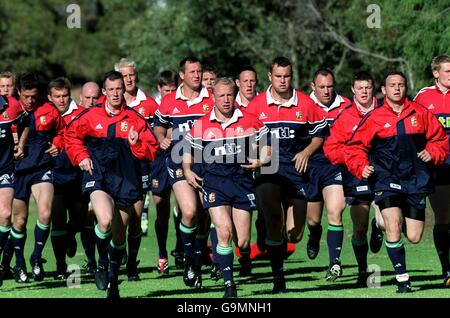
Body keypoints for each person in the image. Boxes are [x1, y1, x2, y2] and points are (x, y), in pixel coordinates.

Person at [345, 71, 449, 293]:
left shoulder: (420, 113)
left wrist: (432, 152)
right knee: (393, 224)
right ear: (384, 90)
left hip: (415, 180)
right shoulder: (374, 118)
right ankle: (403, 280)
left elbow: (439, 139)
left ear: (405, 88)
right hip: (386, 179)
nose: (397, 88)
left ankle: (379, 224)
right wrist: (361, 166)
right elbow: (354, 147)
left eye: (401, 84)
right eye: (392, 85)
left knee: (414, 236)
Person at [65, 70, 159, 298]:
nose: (116, 93)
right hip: (99, 177)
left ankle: (113, 281)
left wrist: (136, 145)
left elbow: (152, 150)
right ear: (104, 92)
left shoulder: (135, 119)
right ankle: (101, 265)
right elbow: (71, 136)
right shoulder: (90, 115)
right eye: (111, 90)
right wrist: (81, 156)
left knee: (119, 238)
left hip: (126, 180)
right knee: (105, 221)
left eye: (119, 89)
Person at [246, 56, 328, 293]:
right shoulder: (256, 106)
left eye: (287, 76)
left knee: (294, 235)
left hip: (296, 172)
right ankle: (278, 278)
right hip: (268, 170)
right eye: (278, 76)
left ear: (292, 77)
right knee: (274, 219)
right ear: (270, 77)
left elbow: (319, 134)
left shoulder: (305, 103)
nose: (283, 81)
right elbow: (245, 136)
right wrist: (256, 156)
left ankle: (269, 228)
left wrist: (307, 151)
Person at [184, 77, 271, 297]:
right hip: (214, 183)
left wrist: (260, 161)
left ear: (235, 95)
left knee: (242, 242)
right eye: (221, 95)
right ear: (213, 96)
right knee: (224, 233)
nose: (225, 99)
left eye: (229, 95)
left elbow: (269, 147)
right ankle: (229, 285)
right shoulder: (201, 124)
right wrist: (187, 170)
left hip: (242, 182)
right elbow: (188, 152)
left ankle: (234, 259)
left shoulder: (251, 121)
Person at [154, 56, 215, 289]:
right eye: (192, 72)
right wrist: (161, 138)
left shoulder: (211, 98)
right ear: (182, 75)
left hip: (207, 162)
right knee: (188, 212)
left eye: (199, 71)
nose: (197, 76)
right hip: (178, 160)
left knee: (203, 215)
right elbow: (158, 124)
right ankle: (190, 261)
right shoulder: (169, 101)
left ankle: (198, 258)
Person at [323, 71, 383, 287]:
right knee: (359, 227)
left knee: (386, 223)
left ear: (373, 88)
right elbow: (331, 149)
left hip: (384, 175)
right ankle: (363, 271)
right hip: (357, 176)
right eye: (360, 88)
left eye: (368, 87)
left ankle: (380, 226)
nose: (364, 92)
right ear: (353, 90)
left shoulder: (386, 111)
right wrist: (354, 162)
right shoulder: (345, 116)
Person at [12, 72, 65, 283]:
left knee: (45, 213)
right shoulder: (9, 111)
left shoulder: (49, 110)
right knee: (19, 220)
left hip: (42, 167)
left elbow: (62, 132)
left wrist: (57, 144)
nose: (31, 101)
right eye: (27, 96)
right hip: (16, 171)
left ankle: (36, 257)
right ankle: (19, 264)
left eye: (34, 96)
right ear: (19, 93)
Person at [304, 69, 351, 281]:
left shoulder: (346, 105)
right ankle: (314, 234)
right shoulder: (303, 104)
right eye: (321, 87)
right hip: (309, 167)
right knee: (313, 219)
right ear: (313, 86)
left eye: (330, 86)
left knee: (335, 211)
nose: (326, 91)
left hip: (334, 167)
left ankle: (334, 262)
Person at [115, 58, 159, 280]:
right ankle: (113, 257)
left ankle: (131, 264)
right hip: (115, 169)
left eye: (132, 74)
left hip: (140, 167)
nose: (129, 79)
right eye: (124, 76)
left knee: (135, 215)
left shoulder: (149, 104)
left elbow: (157, 136)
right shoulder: (111, 104)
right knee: (114, 218)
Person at [414, 55, 450, 286]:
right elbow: (413, 129)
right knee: (444, 216)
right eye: (448, 71)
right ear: (436, 73)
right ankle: (447, 269)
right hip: (439, 165)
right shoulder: (423, 97)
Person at [147, 70, 181, 274]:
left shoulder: (181, 104)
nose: (170, 93)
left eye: (173, 90)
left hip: (179, 157)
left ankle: (181, 249)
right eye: (166, 90)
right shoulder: (151, 106)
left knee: (185, 206)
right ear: (159, 89)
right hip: (158, 161)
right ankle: (162, 253)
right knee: (162, 210)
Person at [0, 93, 27, 286]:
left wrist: (21, 144)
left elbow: (26, 122)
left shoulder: (11, 106)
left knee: (5, 213)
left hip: (4, 168)